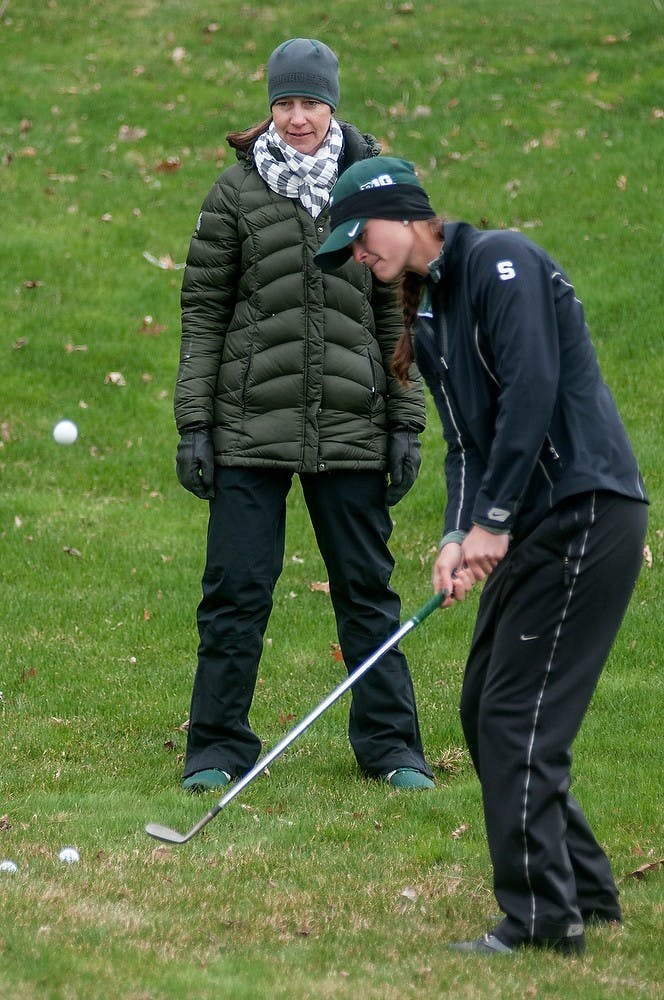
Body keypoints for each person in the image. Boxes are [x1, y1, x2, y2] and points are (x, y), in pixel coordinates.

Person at [315, 157, 649, 954]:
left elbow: (533, 389)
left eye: (360, 239)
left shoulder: (504, 261)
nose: (360, 258)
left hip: (584, 511)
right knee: (483, 709)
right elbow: (466, 445)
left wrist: (493, 522)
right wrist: (457, 535)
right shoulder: (430, 316)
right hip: (527, 528)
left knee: (514, 720)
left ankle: (541, 918)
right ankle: (588, 892)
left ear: (401, 213)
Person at [174, 43, 435, 794]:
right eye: (283, 104)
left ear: (332, 107)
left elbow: (402, 313)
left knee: (367, 591)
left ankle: (391, 749)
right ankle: (216, 748)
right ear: (269, 108)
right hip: (248, 427)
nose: (296, 118)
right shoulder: (233, 195)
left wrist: (405, 425)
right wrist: (196, 424)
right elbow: (202, 312)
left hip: (353, 425)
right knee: (235, 591)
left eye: (309, 104)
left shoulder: (378, 194)